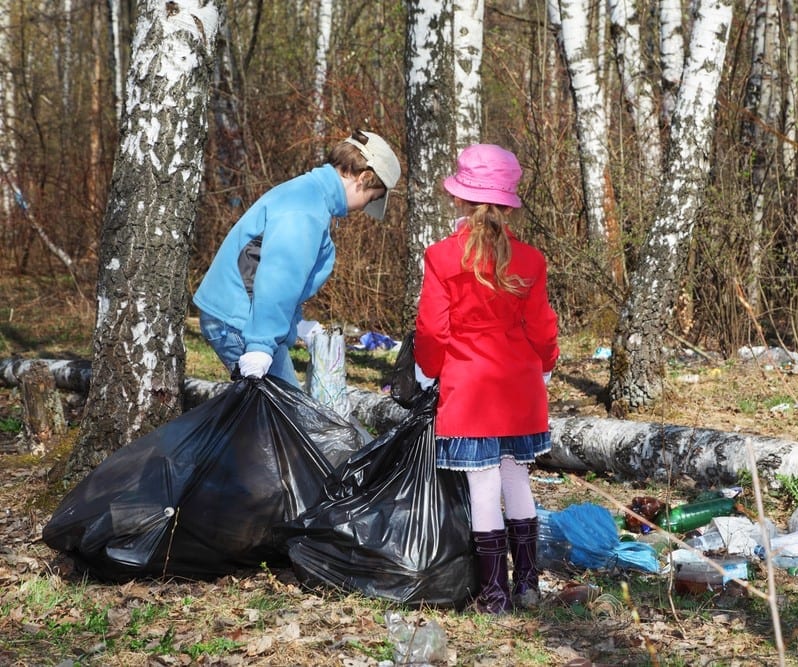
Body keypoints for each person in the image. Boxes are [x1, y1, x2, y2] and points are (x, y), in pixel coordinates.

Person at [413, 144, 559, 614]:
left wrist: (425, 370)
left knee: (483, 490)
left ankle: (495, 596)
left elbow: (433, 329)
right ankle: (529, 585)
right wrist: (548, 363)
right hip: (518, 389)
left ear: (459, 199)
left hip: (469, 392)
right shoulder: (530, 260)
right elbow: (542, 326)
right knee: (518, 483)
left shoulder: (441, 257)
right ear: (508, 200)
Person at [193, 130, 401, 387]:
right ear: (364, 177)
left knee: (277, 415)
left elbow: (263, 267)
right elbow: (277, 279)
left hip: (239, 316)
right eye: (370, 198)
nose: (361, 209)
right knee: (284, 418)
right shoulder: (307, 209)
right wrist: (260, 345)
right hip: (240, 322)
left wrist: (297, 324)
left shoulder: (308, 194)